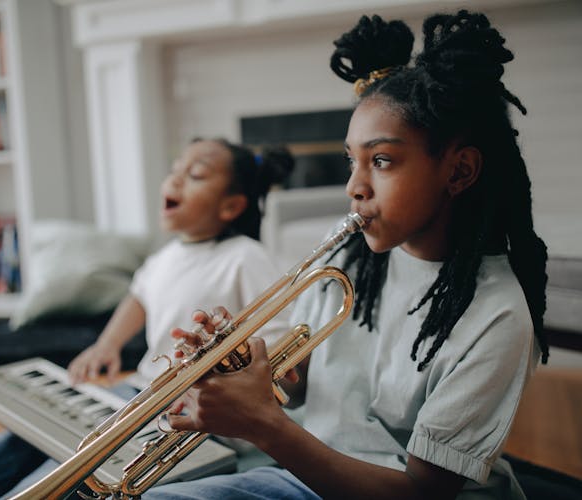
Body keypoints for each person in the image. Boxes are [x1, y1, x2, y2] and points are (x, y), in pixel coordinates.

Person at [143, 10, 549, 500]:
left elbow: (422, 494)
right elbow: (301, 386)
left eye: (380, 161)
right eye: (351, 161)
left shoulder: (498, 313)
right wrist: (243, 368)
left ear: (459, 171)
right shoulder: (347, 261)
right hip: (306, 478)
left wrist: (265, 426)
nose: (355, 187)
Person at [0, 138, 295, 500]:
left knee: (75, 464)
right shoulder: (166, 257)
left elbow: (276, 338)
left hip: (191, 416)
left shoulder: (246, 256)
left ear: (231, 205)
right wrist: (106, 344)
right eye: (176, 168)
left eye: (195, 174)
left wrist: (233, 368)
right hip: (137, 392)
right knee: (24, 439)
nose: (175, 178)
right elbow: (137, 298)